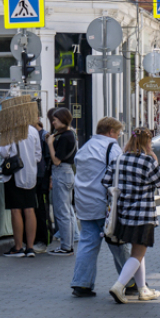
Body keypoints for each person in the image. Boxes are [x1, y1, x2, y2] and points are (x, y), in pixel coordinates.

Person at [107, 127, 160, 303]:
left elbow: (106, 181)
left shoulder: (119, 160)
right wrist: (154, 160)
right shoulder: (147, 161)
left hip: (124, 214)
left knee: (137, 252)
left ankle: (143, 289)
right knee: (138, 253)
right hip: (143, 214)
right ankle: (119, 286)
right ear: (147, 143)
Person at [68, 117, 124, 297]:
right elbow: (118, 173)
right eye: (118, 133)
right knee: (117, 242)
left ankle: (81, 283)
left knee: (88, 242)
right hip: (103, 203)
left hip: (84, 203)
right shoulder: (111, 147)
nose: (118, 137)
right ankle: (129, 280)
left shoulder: (85, 147)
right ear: (110, 132)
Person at [0, 124, 42, 258]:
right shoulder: (33, 130)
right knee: (30, 209)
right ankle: (30, 247)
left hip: (14, 174)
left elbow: (3, 152)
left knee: (16, 210)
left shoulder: (10, 130)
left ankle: (18, 247)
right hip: (30, 174)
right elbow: (38, 155)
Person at [46, 108, 78, 256]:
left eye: (55, 120)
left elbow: (56, 160)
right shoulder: (70, 134)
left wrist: (50, 144)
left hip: (62, 172)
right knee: (68, 211)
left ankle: (66, 246)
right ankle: (68, 244)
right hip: (67, 173)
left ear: (63, 120)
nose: (53, 122)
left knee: (62, 211)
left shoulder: (66, 136)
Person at [32, 120, 53, 252]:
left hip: (42, 177)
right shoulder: (38, 135)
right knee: (38, 208)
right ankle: (40, 238)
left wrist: (49, 178)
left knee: (42, 209)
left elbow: (48, 159)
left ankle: (44, 240)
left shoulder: (43, 135)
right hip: (37, 177)